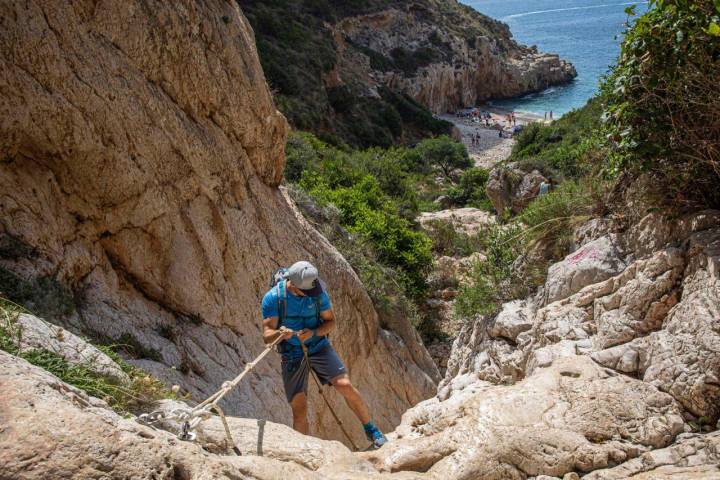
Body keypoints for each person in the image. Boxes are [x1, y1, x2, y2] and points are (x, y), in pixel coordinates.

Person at [261, 261, 388, 448]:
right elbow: (267, 335)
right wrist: (280, 333)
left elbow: (330, 322)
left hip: (318, 345)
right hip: (292, 353)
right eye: (308, 291)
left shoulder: (317, 292)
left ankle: (372, 430)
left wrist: (313, 333)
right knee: (299, 408)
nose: (313, 293)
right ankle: (302, 451)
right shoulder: (274, 298)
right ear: (294, 285)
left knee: (344, 385)